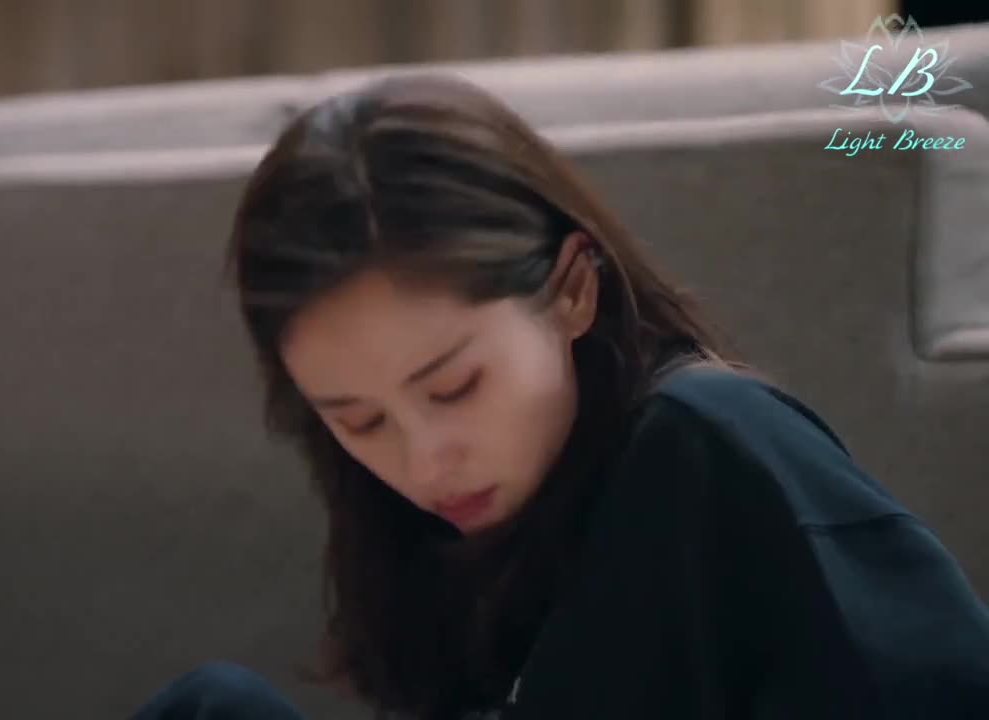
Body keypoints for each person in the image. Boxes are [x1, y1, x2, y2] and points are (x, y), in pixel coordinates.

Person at [129, 74, 989, 720]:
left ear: (574, 288)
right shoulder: (439, 529)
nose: (424, 462)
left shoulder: (710, 449)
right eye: (358, 420)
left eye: (456, 387)